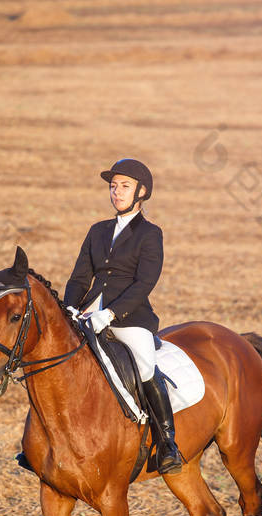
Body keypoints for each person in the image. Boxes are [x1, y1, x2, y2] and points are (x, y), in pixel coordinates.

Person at [64, 158, 183, 474]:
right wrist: (70, 308)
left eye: (124, 186)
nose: (116, 192)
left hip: (130, 317)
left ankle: (168, 443)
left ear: (142, 192)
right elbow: (79, 277)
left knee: (144, 364)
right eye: (113, 186)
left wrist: (112, 313)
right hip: (89, 313)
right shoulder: (97, 230)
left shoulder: (150, 234)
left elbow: (145, 282)